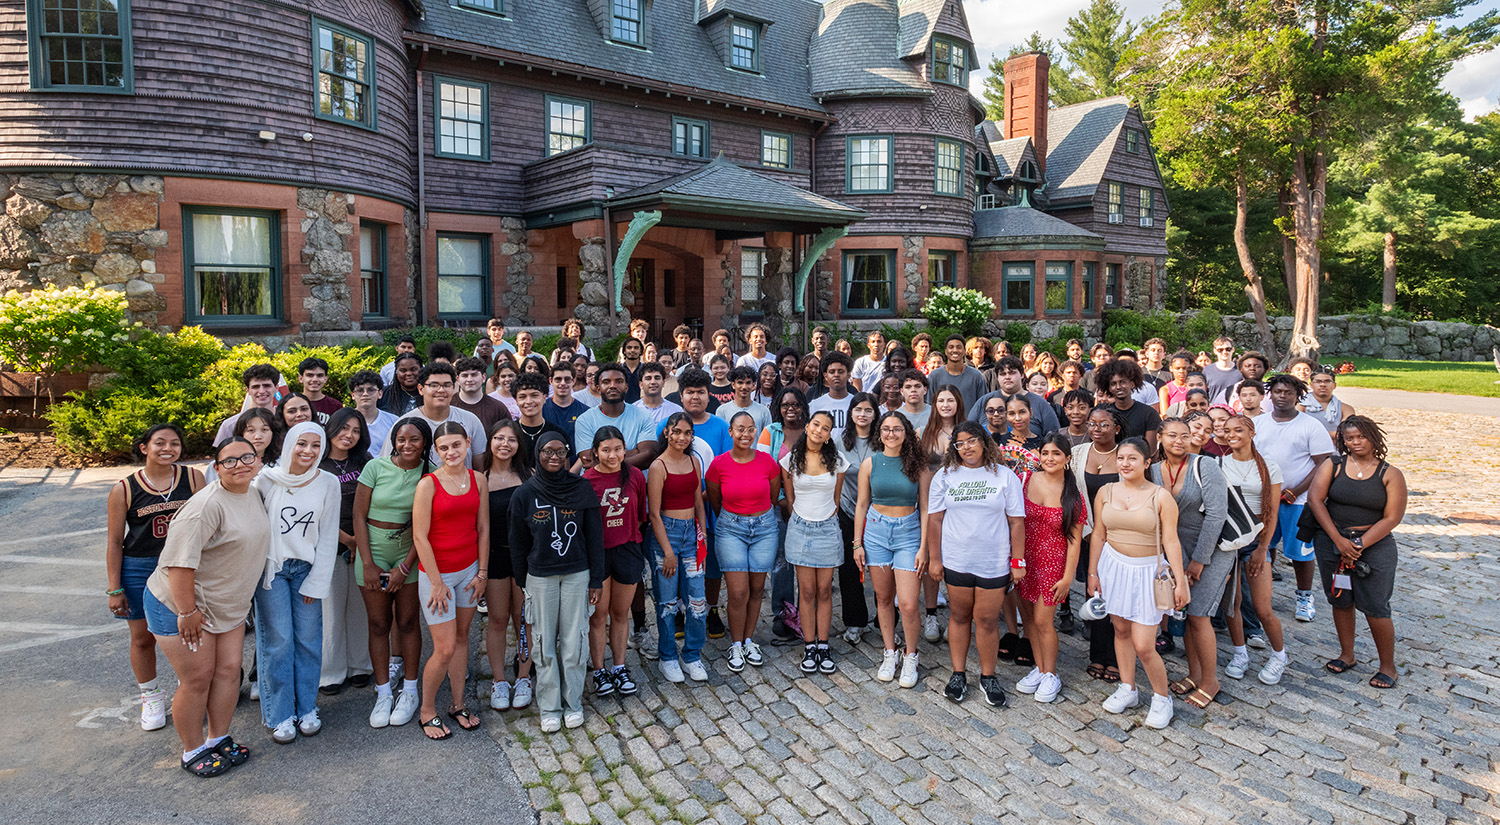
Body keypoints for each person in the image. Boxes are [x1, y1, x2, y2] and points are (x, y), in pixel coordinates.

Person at [143, 437, 268, 776]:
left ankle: (218, 737)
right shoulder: (205, 506)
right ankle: (192, 749)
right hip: (181, 604)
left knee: (228, 673)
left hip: (227, 606)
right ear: (216, 468)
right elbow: (180, 566)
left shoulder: (253, 493)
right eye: (230, 461)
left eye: (247, 458)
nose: (240, 465)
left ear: (258, 462)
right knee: (197, 679)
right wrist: (187, 611)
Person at [105, 424, 205, 732]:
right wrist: (114, 588)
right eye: (159, 442)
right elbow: (113, 541)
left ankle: (186, 689)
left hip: (183, 565)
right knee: (143, 638)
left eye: (175, 443)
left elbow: (207, 524)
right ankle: (150, 696)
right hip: (139, 566)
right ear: (144, 447)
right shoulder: (124, 488)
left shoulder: (193, 478)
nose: (168, 448)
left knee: (187, 632)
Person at [1087, 437, 1189, 729]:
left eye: (1132, 458)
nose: (1125, 464)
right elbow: (1098, 534)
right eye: (1121, 458)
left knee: (1144, 644)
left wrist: (1180, 582)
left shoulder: (1160, 496)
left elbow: (1171, 540)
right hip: (1113, 567)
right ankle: (1128, 687)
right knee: (1119, 629)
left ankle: (1161, 697)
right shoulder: (1105, 492)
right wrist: (1093, 573)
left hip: (1148, 571)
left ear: (1147, 463)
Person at [507, 432, 605, 732]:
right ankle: (549, 706)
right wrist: (524, 582)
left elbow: (594, 537)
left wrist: (596, 580)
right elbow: (517, 543)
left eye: (561, 452)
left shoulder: (582, 488)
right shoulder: (524, 494)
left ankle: (573, 702)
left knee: (574, 642)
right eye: (547, 451)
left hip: (577, 573)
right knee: (543, 644)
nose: (554, 457)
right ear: (537, 454)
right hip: (540, 577)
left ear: (568, 455)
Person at [251, 421, 341, 744]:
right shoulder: (267, 480)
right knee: (278, 641)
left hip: (306, 570)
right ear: (289, 444)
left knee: (308, 640)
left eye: (315, 446)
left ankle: (307, 708)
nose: (308, 451)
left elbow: (329, 537)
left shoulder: (328, 483)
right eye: (302, 444)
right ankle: (280, 714)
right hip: (272, 570)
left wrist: (317, 582)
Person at [926, 422, 1025, 707]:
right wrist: (935, 559)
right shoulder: (945, 476)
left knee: (987, 620)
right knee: (958, 616)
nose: (966, 447)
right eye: (960, 443)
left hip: (993, 561)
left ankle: (988, 675)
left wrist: (1017, 561)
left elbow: (1016, 521)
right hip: (957, 558)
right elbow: (934, 519)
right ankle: (958, 673)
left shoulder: (1005, 476)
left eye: (972, 441)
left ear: (984, 442)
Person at [1306, 416, 1407, 688]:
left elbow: (1392, 517)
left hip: (1374, 544)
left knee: (1376, 606)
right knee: (1340, 599)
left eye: (1361, 436)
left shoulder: (1390, 473)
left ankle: (1388, 666)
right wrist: (1339, 541)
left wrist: (1358, 546)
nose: (1355, 442)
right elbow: (1316, 500)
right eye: (1349, 438)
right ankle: (1347, 654)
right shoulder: (1334, 465)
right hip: (1333, 540)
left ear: (1373, 437)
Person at [410, 421, 488, 740]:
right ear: (436, 451)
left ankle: (458, 704)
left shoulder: (478, 479)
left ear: (467, 443)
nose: (451, 452)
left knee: (461, 639)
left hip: (470, 572)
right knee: (443, 648)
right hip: (437, 576)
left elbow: (482, 529)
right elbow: (419, 536)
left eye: (456, 445)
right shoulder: (428, 484)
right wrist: (438, 582)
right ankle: (427, 710)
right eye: (443, 447)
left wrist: (482, 572)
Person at [1149, 418, 1231, 709]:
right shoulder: (1152, 470)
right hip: (1176, 550)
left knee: (1199, 614)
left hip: (1211, 549)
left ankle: (1211, 680)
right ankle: (1195, 674)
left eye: (1186, 435)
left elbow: (1217, 515)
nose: (1179, 441)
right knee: (1183, 612)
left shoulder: (1204, 466)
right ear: (1160, 437)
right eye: (1172, 435)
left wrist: (1198, 561)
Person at [355, 418, 430, 729]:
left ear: (425, 442)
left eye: (414, 439)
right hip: (371, 547)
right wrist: (368, 562)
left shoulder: (429, 476)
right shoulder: (375, 467)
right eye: (401, 439)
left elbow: (426, 526)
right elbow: (358, 515)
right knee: (378, 623)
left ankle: (410, 690)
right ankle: (384, 691)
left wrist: (405, 566)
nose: (407, 445)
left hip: (408, 550)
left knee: (409, 621)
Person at [852, 411, 927, 688]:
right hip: (876, 532)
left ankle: (911, 654)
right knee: (883, 598)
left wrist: (924, 547)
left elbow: (927, 509)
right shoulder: (870, 464)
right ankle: (889, 651)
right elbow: (861, 504)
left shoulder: (918, 466)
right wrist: (857, 543)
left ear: (906, 432)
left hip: (909, 533)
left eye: (897, 429)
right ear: (879, 433)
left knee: (907, 603)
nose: (891, 434)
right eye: (886, 429)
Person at [706, 412, 782, 672]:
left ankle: (749, 639)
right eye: (740, 429)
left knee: (757, 587)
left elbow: (773, 497)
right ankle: (736, 643)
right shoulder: (718, 464)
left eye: (751, 429)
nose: (746, 434)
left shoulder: (768, 462)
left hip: (764, 528)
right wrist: (732, 519)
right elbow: (715, 501)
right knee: (738, 591)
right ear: (730, 432)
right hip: (731, 529)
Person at [1219, 413, 1292, 685]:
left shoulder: (1268, 467)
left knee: (1262, 608)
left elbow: (1271, 512)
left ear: (1251, 432)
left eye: (1238, 429)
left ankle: (1279, 655)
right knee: (1232, 604)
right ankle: (1240, 653)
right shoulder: (1219, 463)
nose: (1231, 434)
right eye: (1227, 430)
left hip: (1255, 541)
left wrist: (1263, 548)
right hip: (1228, 541)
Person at [1256, 374, 1335, 622]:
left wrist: (1296, 491)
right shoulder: (1258, 423)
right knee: (1262, 548)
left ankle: (1304, 596)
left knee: (1300, 553)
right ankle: (1261, 599)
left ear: (1298, 395)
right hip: (1264, 499)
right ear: (1270, 394)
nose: (1282, 396)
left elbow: (1323, 464)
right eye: (1277, 391)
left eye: (1288, 392)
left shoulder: (1310, 425)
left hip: (1297, 501)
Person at [1013, 434, 1086, 703]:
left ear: (1067, 459)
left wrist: (1068, 577)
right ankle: (1040, 668)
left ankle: (1051, 674)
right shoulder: (1028, 480)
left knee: (1044, 621)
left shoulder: (1072, 494)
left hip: (1054, 563)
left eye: (1056, 453)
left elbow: (1075, 542)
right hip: (1026, 559)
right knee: (1030, 620)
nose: (1049, 458)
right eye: (1045, 453)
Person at [780, 410, 850, 675]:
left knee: (825, 591)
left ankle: (823, 645)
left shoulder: (838, 461)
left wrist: (827, 515)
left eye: (826, 428)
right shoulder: (790, 460)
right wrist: (801, 515)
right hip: (800, 528)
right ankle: (809, 645)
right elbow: (789, 497)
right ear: (807, 427)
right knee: (806, 592)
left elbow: (836, 497)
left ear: (830, 434)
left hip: (828, 529)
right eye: (816, 425)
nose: (820, 430)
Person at [646, 414, 712, 683]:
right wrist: (668, 552)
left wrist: (703, 536)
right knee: (667, 603)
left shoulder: (694, 461)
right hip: (667, 536)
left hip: (691, 535)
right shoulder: (658, 466)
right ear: (666, 433)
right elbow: (653, 513)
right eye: (677, 432)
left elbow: (698, 501)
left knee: (697, 602)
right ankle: (668, 656)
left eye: (687, 432)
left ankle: (692, 654)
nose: (682, 437)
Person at [583, 427, 647, 696]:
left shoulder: (633, 476)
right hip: (597, 555)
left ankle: (619, 667)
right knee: (598, 616)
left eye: (618, 448)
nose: (613, 455)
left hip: (627, 549)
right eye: (606, 449)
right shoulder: (586, 481)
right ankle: (599, 670)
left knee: (620, 614)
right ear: (595, 451)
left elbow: (642, 512)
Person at [317, 410, 373, 696]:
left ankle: (360, 666)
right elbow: (314, 512)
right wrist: (347, 540)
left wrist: (359, 542)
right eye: (343, 428)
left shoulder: (365, 461)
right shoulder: (317, 464)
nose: (348, 435)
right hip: (330, 544)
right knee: (332, 609)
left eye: (355, 430)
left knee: (360, 608)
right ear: (331, 428)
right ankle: (330, 672)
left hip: (364, 543)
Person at [481, 420, 535, 712]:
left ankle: (524, 677)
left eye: (511, 440)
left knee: (523, 619)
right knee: (498, 619)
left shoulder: (530, 476)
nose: (505, 444)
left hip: (525, 559)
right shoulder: (480, 479)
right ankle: (499, 680)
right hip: (494, 557)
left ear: (519, 445)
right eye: (499, 438)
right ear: (490, 442)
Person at [1071, 405, 1126, 682]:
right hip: (1089, 534)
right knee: (1096, 592)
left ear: (1116, 428)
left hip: (1121, 536)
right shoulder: (1079, 454)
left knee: (1118, 596)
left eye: (1104, 425)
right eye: (1092, 424)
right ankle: (1097, 655)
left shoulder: (1126, 455)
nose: (1096, 429)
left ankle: (1116, 658)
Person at [757, 385, 809, 641]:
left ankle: (808, 612)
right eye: (785, 405)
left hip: (810, 507)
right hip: (779, 507)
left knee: (808, 562)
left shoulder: (812, 431)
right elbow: (764, 469)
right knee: (782, 562)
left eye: (796, 404)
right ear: (778, 407)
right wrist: (781, 502)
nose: (791, 409)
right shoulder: (770, 432)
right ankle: (783, 612)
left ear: (803, 406)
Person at [834, 393, 880, 644]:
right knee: (849, 570)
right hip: (848, 510)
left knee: (883, 569)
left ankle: (886, 619)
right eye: (858, 409)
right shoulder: (839, 440)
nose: (863, 414)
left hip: (879, 512)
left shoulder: (884, 439)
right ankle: (855, 621)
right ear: (851, 413)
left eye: (868, 410)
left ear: (875, 414)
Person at [385, 363, 487, 468]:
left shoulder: (470, 420)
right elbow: (387, 464)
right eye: (434, 385)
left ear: (453, 388)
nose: (441, 390)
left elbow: (479, 466)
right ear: (421, 389)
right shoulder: (405, 424)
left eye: (447, 385)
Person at [574, 363, 658, 470]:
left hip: (633, 483)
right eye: (606, 382)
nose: (613, 386)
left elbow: (648, 455)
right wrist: (635, 452)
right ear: (598, 388)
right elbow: (588, 460)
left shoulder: (643, 416)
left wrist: (604, 460)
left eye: (618, 381)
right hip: (597, 484)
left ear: (626, 387)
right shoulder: (584, 420)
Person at [968, 356, 1061, 433]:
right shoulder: (985, 401)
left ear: (1022, 375)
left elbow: (1054, 436)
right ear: (997, 377)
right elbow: (969, 431)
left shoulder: (1040, 403)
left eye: (1012, 373)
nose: (1007, 377)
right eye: (1003, 374)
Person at [1093, 358, 1163, 453]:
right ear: (1108, 388)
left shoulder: (1149, 414)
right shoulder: (1105, 414)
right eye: (1113, 384)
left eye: (1122, 382)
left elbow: (1150, 451)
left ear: (1132, 384)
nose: (1118, 387)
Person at [510, 372, 568, 471]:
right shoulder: (510, 433)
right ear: (516, 400)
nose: (528, 401)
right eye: (522, 397)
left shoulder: (557, 433)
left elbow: (564, 471)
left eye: (534, 395)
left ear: (544, 398)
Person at [213, 364, 281, 445]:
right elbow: (221, 455)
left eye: (267, 386)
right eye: (255, 387)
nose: (262, 391)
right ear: (247, 390)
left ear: (276, 388)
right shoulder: (230, 425)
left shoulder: (286, 420)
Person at [452, 356, 510, 432]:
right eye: (465, 375)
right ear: (458, 379)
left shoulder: (498, 408)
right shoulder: (448, 405)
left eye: (474, 375)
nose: (469, 379)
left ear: (483, 377)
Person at [348, 370, 399, 456]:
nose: (365, 394)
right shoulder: (345, 420)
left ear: (380, 394)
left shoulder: (394, 421)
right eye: (360, 390)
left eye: (370, 390)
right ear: (353, 395)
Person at [928, 334, 988, 408]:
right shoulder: (934, 376)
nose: (955, 350)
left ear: (964, 351)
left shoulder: (976, 376)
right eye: (951, 347)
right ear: (946, 351)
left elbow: (983, 405)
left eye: (959, 347)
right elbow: (929, 405)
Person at [808, 351, 854, 441]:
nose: (836, 375)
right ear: (825, 376)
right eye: (832, 372)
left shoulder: (856, 403)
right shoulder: (815, 405)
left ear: (848, 375)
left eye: (841, 372)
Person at [543, 362, 591, 448]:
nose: (563, 383)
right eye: (558, 379)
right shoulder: (541, 410)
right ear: (551, 381)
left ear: (574, 381)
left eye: (567, 379)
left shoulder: (585, 412)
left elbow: (588, 444)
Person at [715, 365, 771, 437]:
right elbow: (720, 437)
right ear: (733, 385)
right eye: (740, 383)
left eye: (748, 383)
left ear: (753, 385)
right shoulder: (722, 411)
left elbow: (768, 440)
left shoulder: (764, 411)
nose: (744, 387)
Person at [1305, 367, 1357, 436]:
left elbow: (1346, 434)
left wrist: (1314, 434)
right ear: (1311, 385)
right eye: (1318, 381)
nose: (1322, 385)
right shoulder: (1301, 406)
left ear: (1334, 385)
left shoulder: (1346, 409)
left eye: (1327, 381)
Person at [634, 362, 684, 427]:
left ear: (663, 383)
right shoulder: (632, 411)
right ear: (641, 385)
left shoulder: (676, 411)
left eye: (657, 378)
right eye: (648, 378)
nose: (653, 382)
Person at [1202, 337, 1243, 404]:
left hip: (1235, 411)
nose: (1224, 352)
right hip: (1214, 411)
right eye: (1220, 350)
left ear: (1233, 349)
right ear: (1215, 351)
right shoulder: (1207, 370)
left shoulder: (1241, 370)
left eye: (1228, 349)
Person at [1159, 352, 1195, 416]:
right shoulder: (1165, 389)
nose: (1181, 371)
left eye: (1184, 368)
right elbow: (1165, 415)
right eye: (1177, 368)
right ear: (1171, 368)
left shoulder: (1194, 387)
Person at [897, 369, 931, 433]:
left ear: (925, 390)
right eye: (908, 387)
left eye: (917, 386)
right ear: (901, 391)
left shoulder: (935, 414)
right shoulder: (896, 416)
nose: (913, 390)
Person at [618, 337, 647, 403]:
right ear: (624, 351)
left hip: (642, 406)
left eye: (636, 348)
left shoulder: (646, 369)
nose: (632, 350)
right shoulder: (618, 370)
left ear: (640, 351)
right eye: (629, 348)